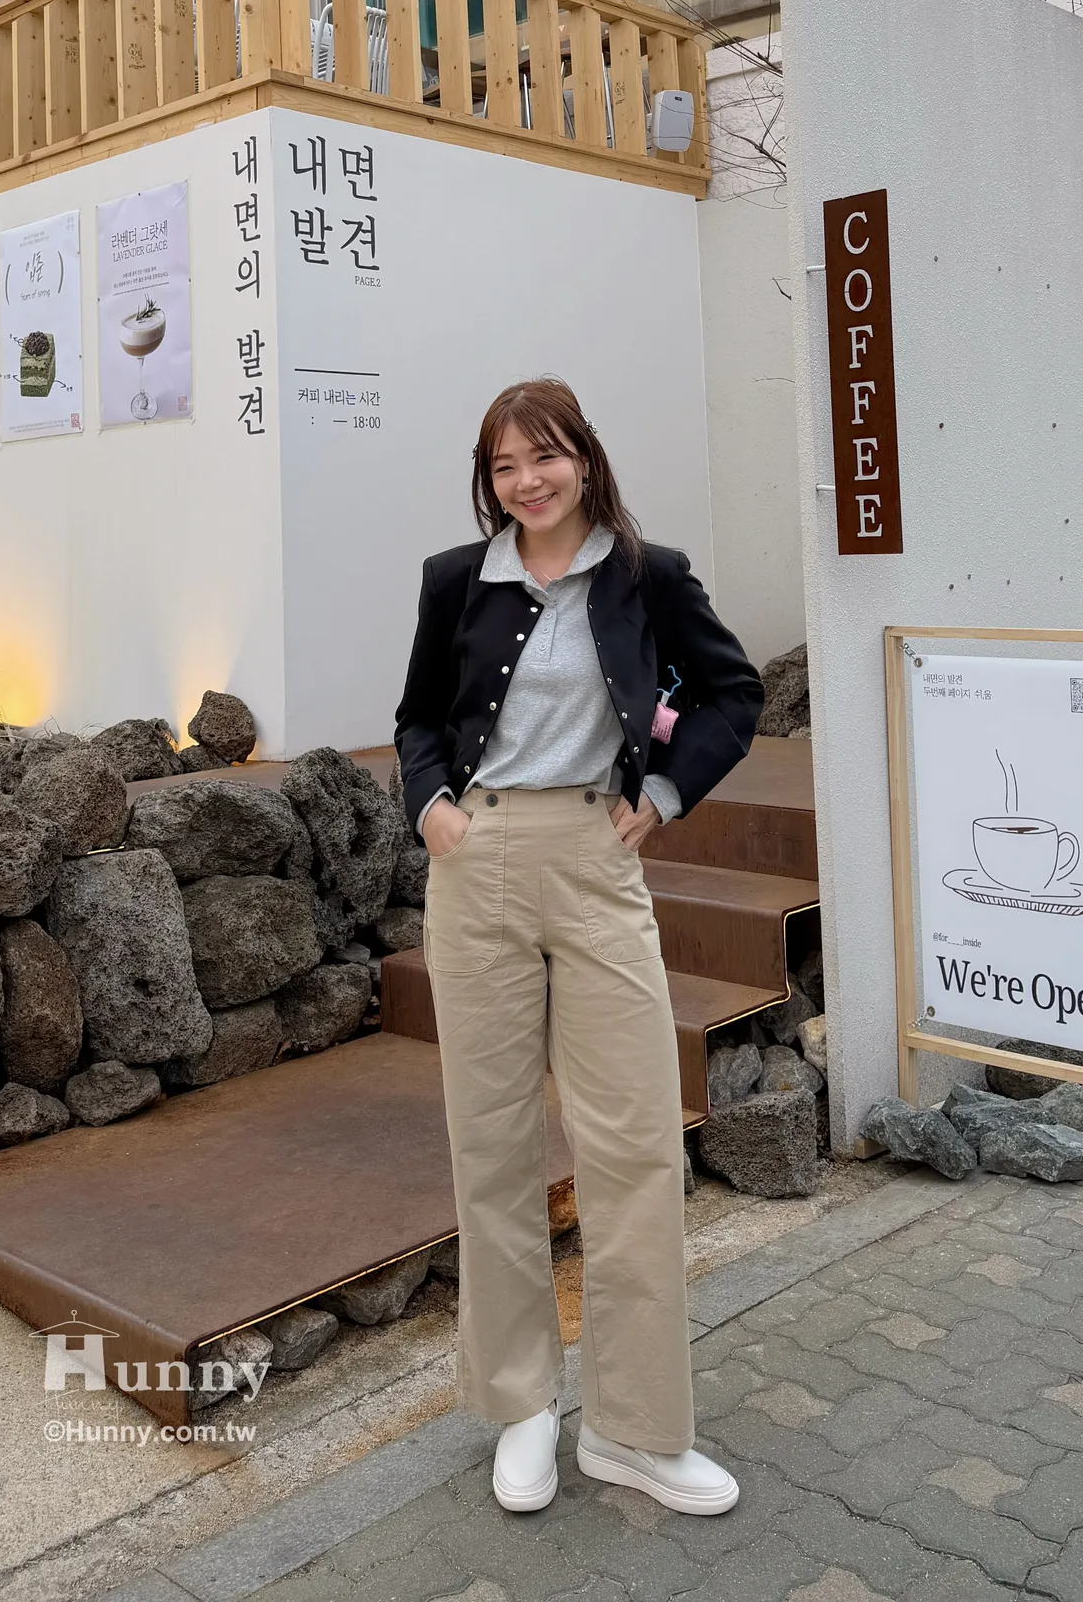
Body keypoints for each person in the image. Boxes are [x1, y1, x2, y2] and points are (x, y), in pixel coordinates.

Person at [394, 377, 764, 1517]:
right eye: (503, 466)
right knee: (493, 1145)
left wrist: (664, 793)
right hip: (479, 861)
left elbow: (732, 693)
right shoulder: (457, 580)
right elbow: (417, 718)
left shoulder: (648, 574)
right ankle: (521, 1407)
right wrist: (432, 809)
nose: (527, 481)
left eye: (543, 456)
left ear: (585, 459)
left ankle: (636, 1427)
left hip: (598, 857)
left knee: (635, 1142)